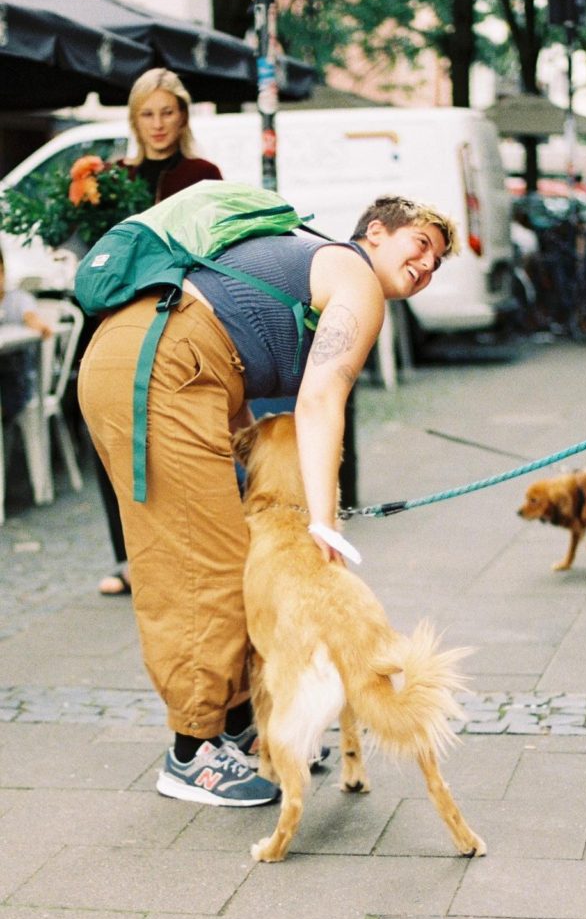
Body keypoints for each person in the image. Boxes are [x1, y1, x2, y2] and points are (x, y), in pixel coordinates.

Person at [78, 195, 457, 807]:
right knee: (202, 563)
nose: (427, 265)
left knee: (230, 552)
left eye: (437, 263)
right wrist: (324, 525)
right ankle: (191, 753)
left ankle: (234, 728)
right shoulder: (355, 279)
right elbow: (319, 402)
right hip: (164, 366)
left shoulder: (316, 264)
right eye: (420, 245)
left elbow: (244, 362)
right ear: (377, 233)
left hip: (167, 358)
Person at [94, 68, 223, 598]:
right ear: (134, 119)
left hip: (175, 316)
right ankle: (127, 558)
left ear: (184, 115)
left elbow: (213, 245)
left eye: (167, 111)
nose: (158, 123)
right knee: (112, 436)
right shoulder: (112, 178)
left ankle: (179, 553)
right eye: (147, 113)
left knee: (174, 439)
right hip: (113, 319)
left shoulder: (202, 173)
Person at [0, 247, 52, 427]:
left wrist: (38, 325)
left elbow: (30, 317)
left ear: (3, 272)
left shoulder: (19, 299)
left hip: (17, 380)